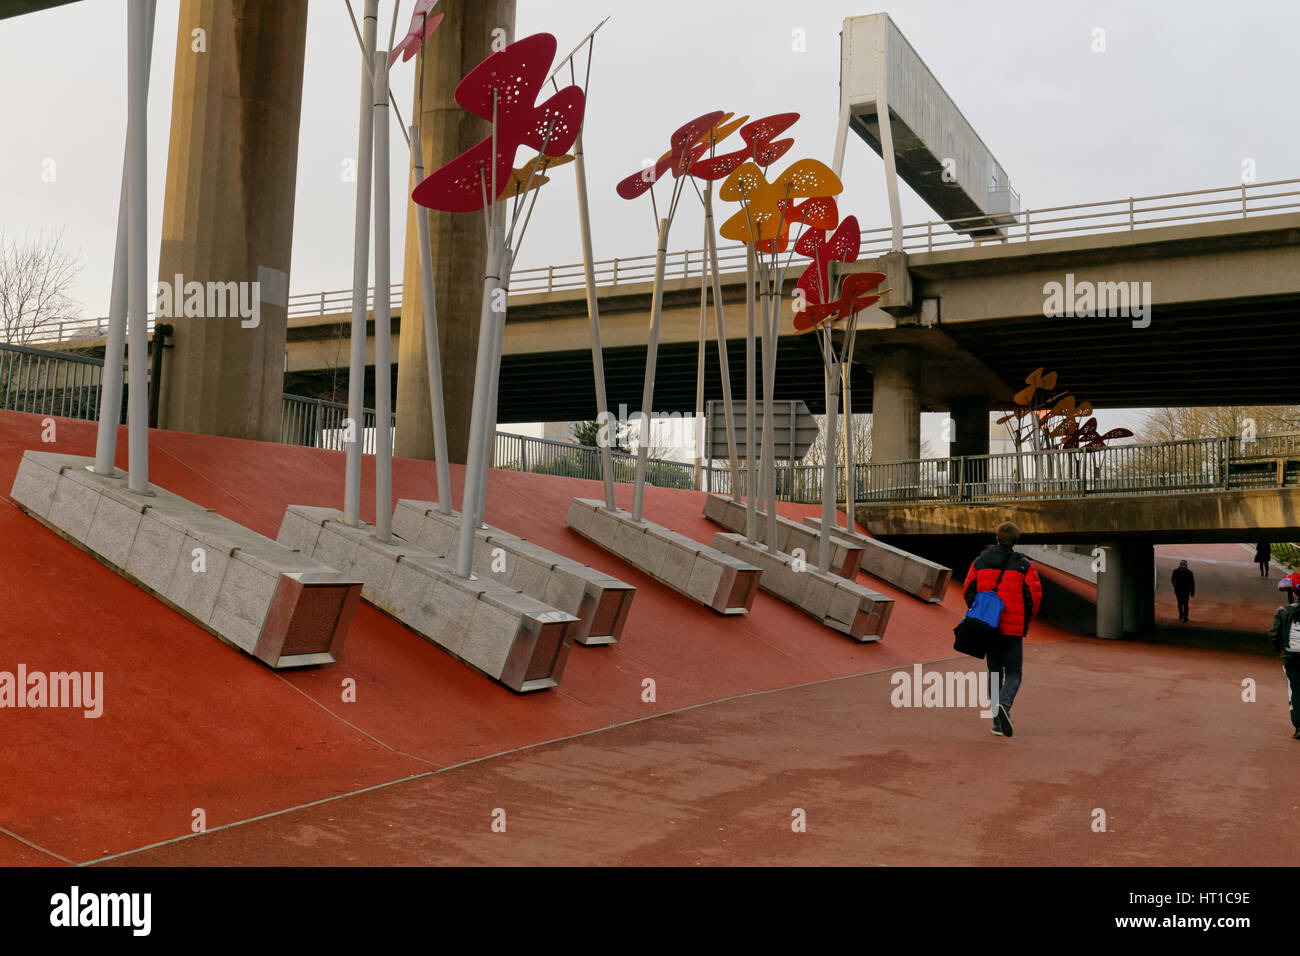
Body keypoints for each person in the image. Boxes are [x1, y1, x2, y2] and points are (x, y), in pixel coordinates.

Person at [963, 520, 1042, 738]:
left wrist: (979, 611)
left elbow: (968, 591)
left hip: (989, 627)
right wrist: (1025, 621)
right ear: (1016, 541)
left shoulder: (979, 562)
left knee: (995, 672)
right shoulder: (1025, 566)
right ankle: (1005, 706)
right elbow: (1033, 598)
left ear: (996, 539)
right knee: (1014, 672)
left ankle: (997, 723)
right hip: (1013, 629)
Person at [1266, 593, 1300, 739]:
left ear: (1294, 594)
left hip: (1291, 659)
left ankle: (1298, 725)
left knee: (1295, 691)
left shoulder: (1283, 611)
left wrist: (1280, 650)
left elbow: (1274, 634)